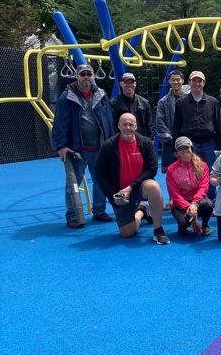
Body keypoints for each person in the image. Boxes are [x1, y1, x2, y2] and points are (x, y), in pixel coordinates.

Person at [51, 62, 115, 228]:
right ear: (77, 76)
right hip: (76, 149)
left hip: (99, 147)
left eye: (89, 74)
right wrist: (61, 146)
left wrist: (110, 142)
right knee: (73, 183)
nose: (86, 77)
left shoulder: (101, 94)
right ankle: (72, 215)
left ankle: (99, 211)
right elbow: (59, 124)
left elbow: (109, 120)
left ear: (93, 76)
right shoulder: (67, 97)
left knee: (100, 181)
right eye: (83, 74)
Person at [95, 112, 170, 244]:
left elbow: (152, 169)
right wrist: (113, 197)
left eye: (131, 124)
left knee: (154, 187)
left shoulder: (146, 143)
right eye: (124, 124)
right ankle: (142, 211)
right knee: (127, 233)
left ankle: (158, 230)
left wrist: (130, 187)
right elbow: (100, 174)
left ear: (136, 127)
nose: (128, 127)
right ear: (118, 126)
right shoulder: (109, 146)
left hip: (139, 188)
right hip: (120, 194)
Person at [173, 71, 221, 199]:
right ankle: (195, 199)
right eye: (194, 80)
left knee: (210, 172)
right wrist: (175, 146)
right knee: (191, 172)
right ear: (189, 82)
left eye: (199, 81)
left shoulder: (213, 102)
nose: (197, 83)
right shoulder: (181, 102)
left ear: (204, 83)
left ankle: (210, 199)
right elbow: (177, 125)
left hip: (209, 143)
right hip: (190, 145)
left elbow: (219, 124)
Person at [166, 136, 213, 236]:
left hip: (198, 202)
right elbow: (174, 194)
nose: (184, 151)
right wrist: (188, 206)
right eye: (180, 149)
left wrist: (194, 204)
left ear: (191, 148)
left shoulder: (203, 165)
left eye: (186, 147)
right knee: (183, 223)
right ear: (176, 152)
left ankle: (205, 224)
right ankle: (183, 225)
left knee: (208, 205)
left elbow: (203, 187)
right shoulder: (171, 169)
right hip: (180, 204)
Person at [155, 69, 185, 174]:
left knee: (189, 171)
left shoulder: (189, 99)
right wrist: (169, 139)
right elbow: (160, 121)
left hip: (187, 140)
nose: (176, 82)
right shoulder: (163, 101)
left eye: (178, 79)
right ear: (169, 81)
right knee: (172, 173)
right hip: (170, 142)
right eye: (173, 80)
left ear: (183, 81)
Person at [110, 72, 153, 138]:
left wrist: (151, 142)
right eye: (126, 82)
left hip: (141, 143)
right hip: (122, 143)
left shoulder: (144, 103)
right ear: (121, 84)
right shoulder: (114, 103)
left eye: (131, 82)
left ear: (135, 84)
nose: (129, 85)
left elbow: (149, 126)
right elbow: (112, 127)